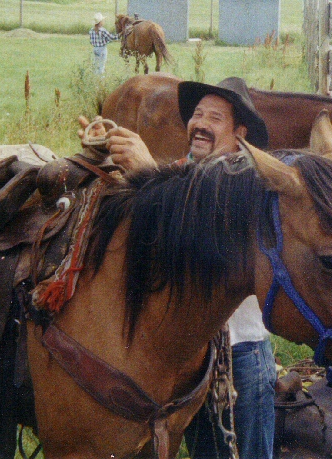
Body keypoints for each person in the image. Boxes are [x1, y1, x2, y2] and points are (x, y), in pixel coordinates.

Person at [81, 77, 276, 459]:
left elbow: (206, 240)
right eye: (197, 114)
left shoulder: (247, 184)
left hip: (240, 353)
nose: (201, 122)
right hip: (186, 353)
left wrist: (146, 170)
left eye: (215, 117)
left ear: (239, 134)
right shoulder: (180, 172)